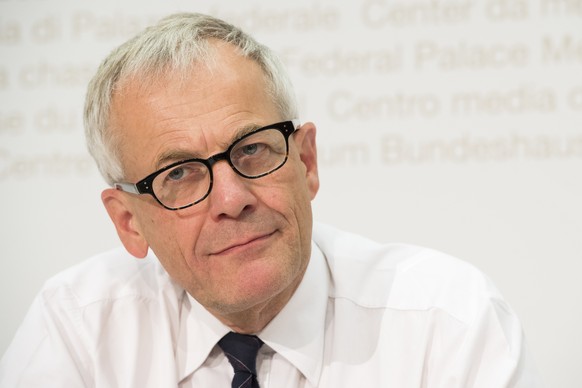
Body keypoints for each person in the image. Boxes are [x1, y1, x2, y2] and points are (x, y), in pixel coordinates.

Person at [0, 12, 540, 388]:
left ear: (306, 162)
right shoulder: (76, 328)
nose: (232, 199)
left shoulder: (448, 323)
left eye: (253, 149)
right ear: (129, 224)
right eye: (181, 174)